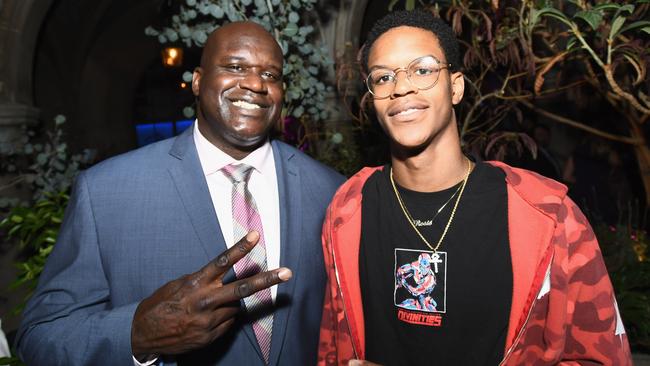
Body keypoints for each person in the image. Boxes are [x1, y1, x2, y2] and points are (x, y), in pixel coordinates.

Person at [15, 21, 344, 366]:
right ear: (198, 82)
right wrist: (138, 334)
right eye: (235, 67)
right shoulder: (106, 193)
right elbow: (41, 335)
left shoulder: (330, 191)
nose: (254, 84)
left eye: (271, 75)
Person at [317, 10, 632, 366]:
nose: (401, 87)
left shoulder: (547, 215)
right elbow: (333, 349)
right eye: (383, 76)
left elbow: (602, 358)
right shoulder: (348, 211)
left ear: (456, 87)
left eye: (422, 69)